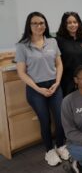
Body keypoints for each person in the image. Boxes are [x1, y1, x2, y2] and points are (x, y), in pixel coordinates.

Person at [15, 12, 69, 166]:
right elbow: (21, 73)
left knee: (60, 119)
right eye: (35, 23)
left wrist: (57, 82)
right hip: (35, 89)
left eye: (42, 23)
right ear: (29, 26)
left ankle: (61, 146)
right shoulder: (22, 46)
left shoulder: (52, 42)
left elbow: (59, 64)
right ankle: (49, 151)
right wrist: (39, 89)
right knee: (45, 120)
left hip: (54, 85)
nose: (39, 26)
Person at [56, 12, 82, 96]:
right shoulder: (58, 40)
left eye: (75, 22)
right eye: (69, 22)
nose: (73, 25)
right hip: (66, 80)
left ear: (79, 23)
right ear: (64, 24)